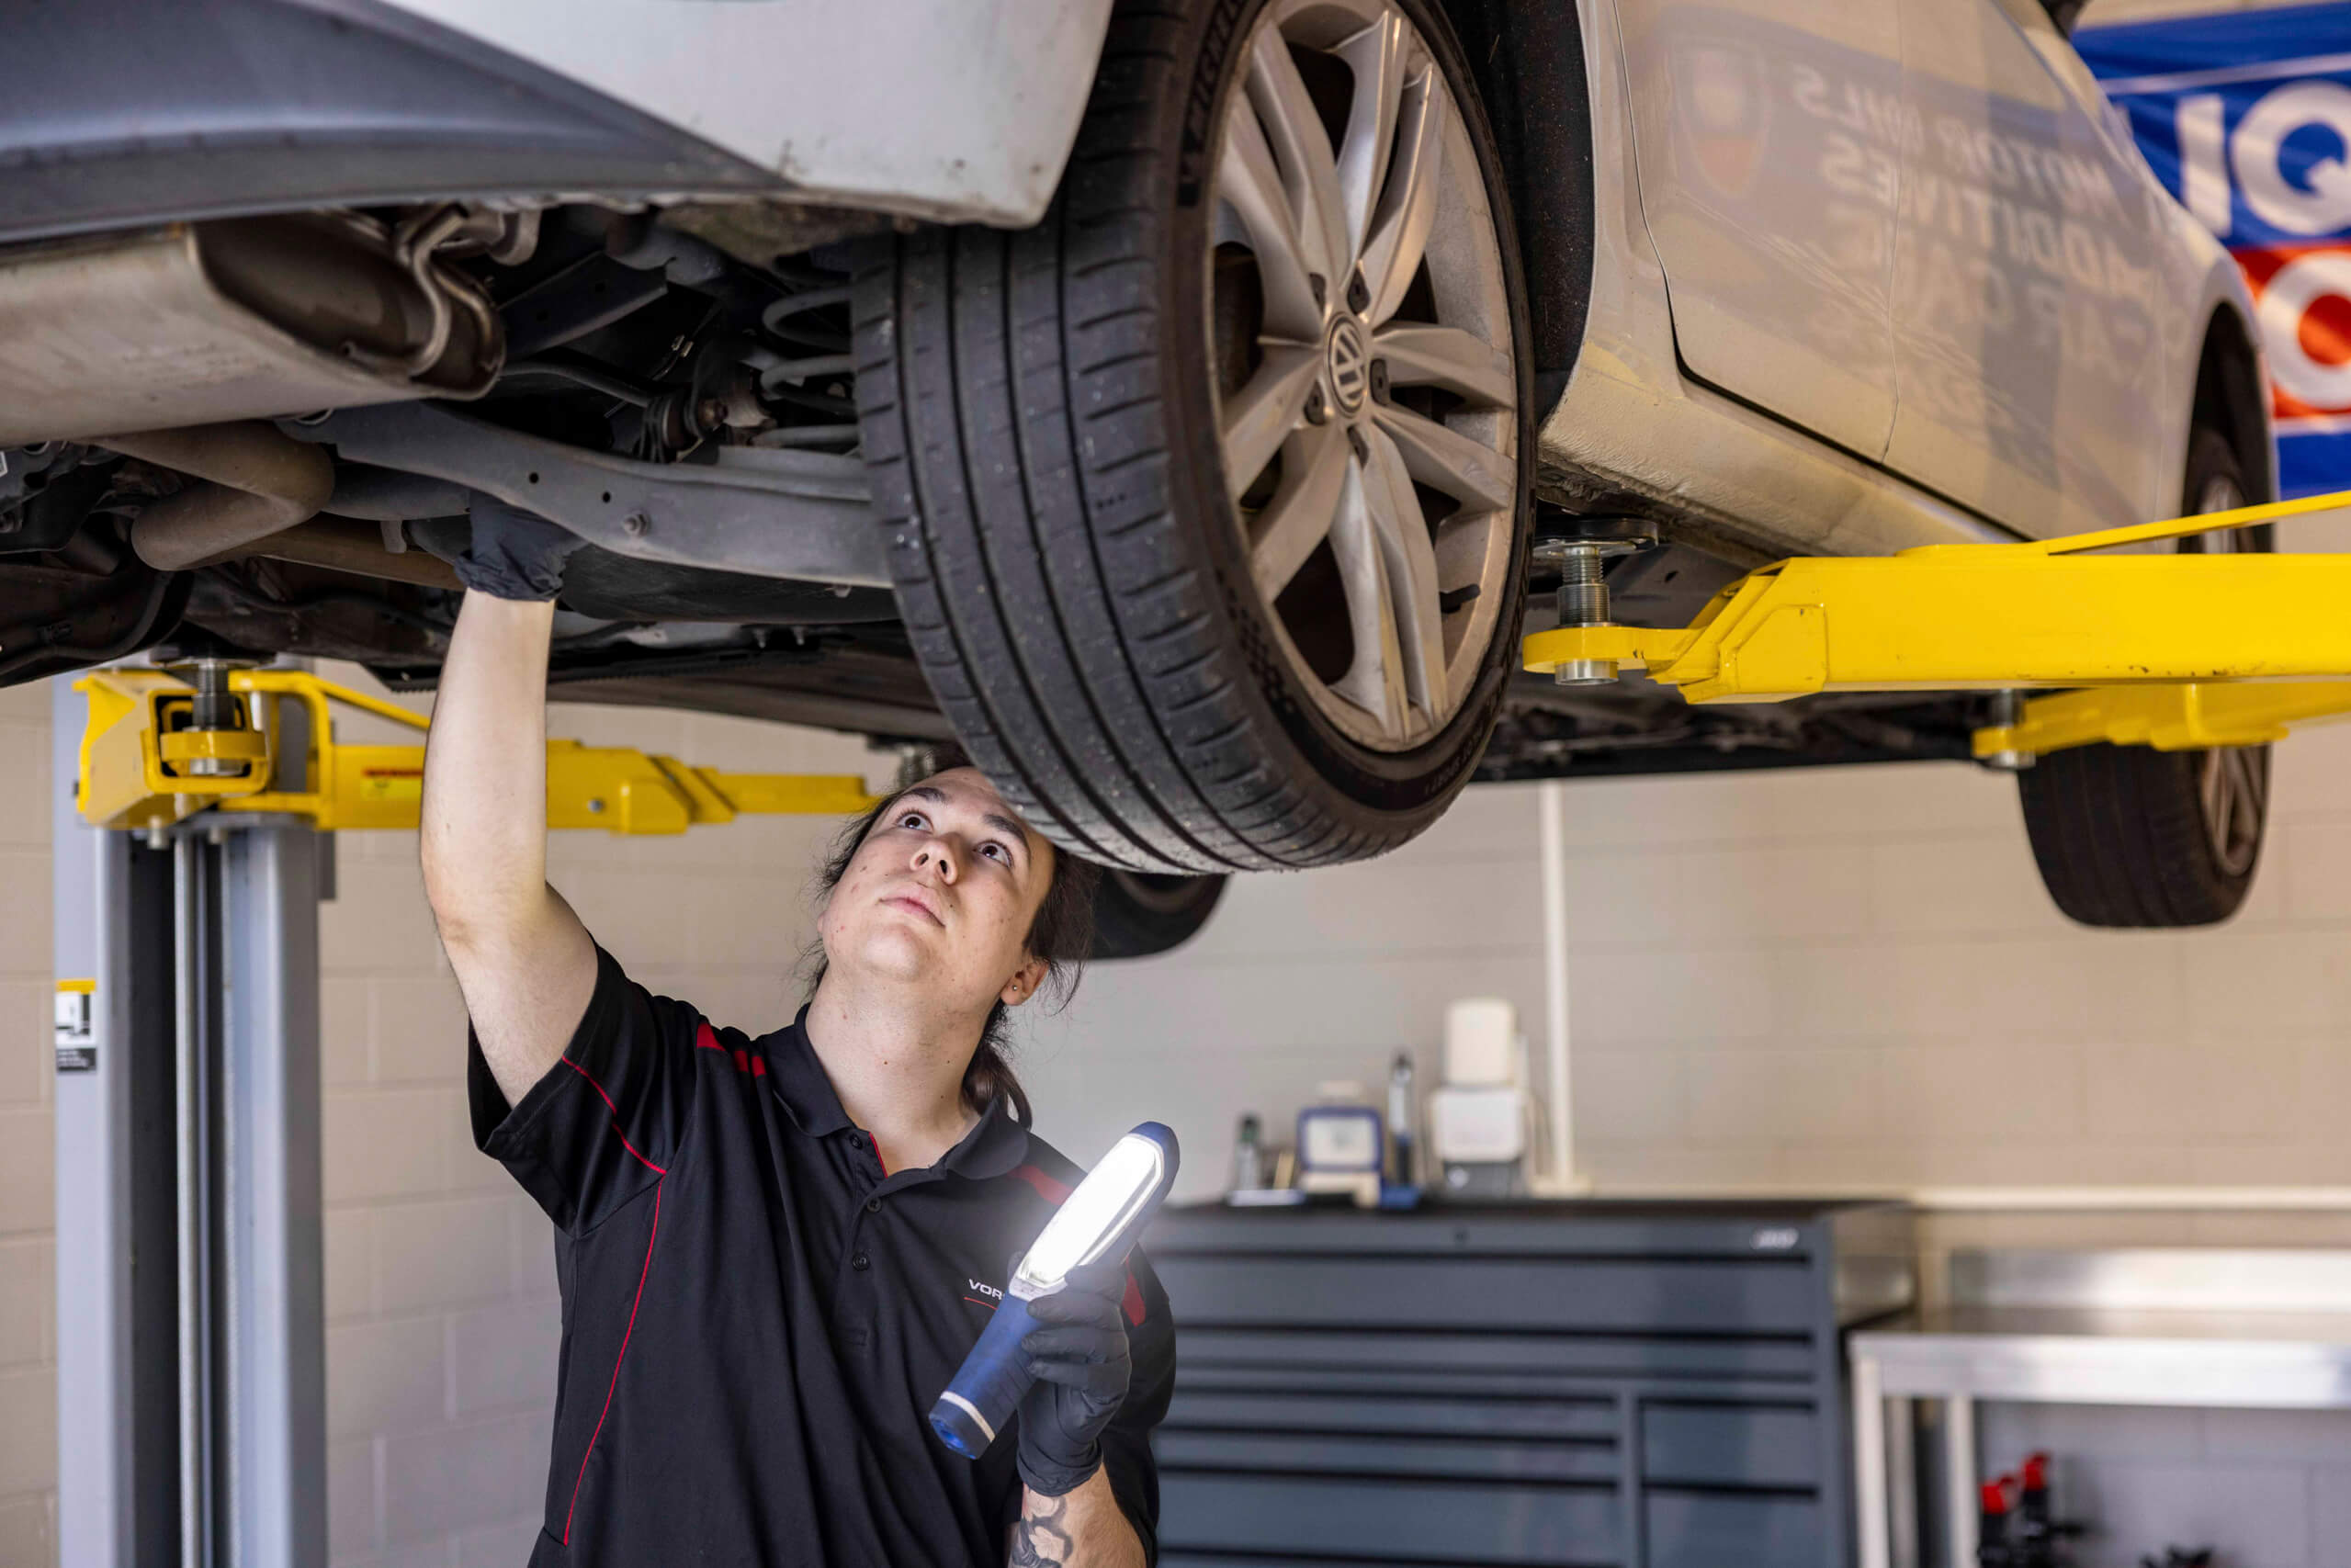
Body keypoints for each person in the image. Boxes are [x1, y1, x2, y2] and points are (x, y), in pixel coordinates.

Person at [417, 500, 1175, 1567]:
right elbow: (484, 912)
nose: (938, 854)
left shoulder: (1080, 1245)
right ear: (837, 898)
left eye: (996, 851)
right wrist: (509, 574)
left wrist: (1065, 1464)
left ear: (1024, 972)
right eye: (912, 820)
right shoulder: (670, 1102)